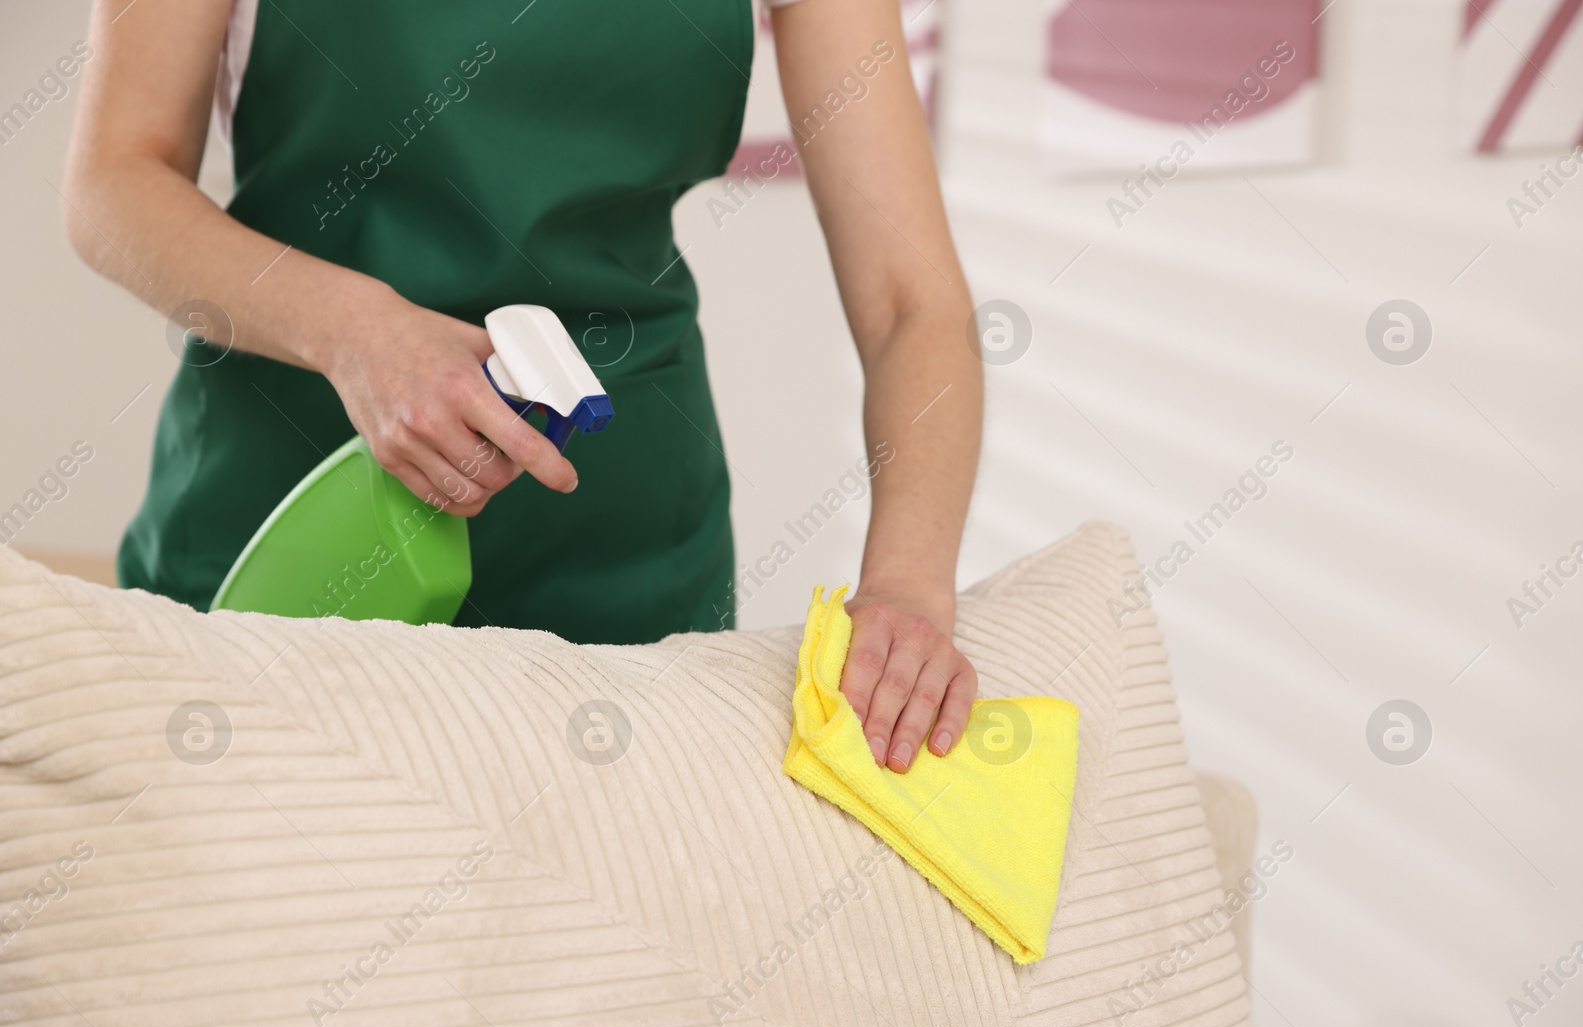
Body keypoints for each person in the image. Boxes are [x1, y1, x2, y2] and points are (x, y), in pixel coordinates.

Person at [63, 0, 983, 773]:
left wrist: (906, 584)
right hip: (287, 536)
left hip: (622, 575)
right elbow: (114, 180)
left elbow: (914, 303)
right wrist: (356, 334)